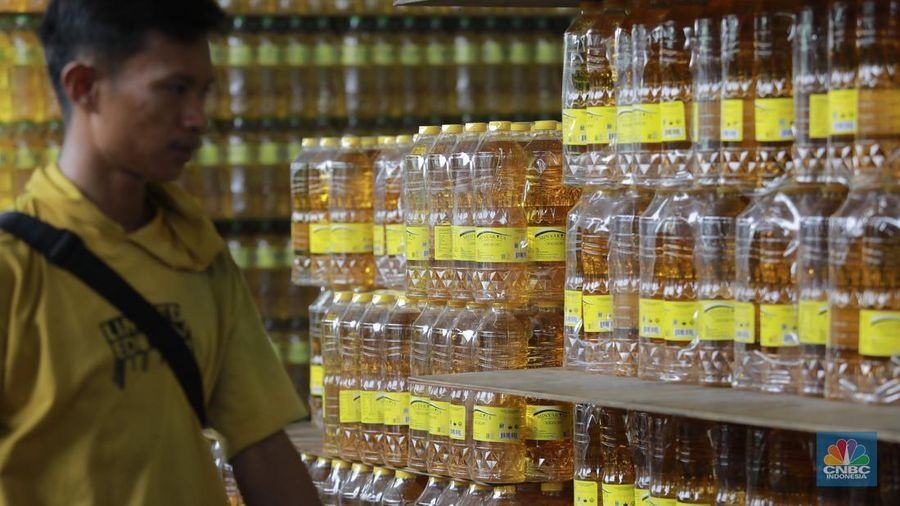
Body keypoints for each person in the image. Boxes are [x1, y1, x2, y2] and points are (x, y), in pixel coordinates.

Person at [0, 0, 320, 504]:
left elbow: (260, 446)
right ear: (84, 87)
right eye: (173, 89)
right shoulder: (14, 268)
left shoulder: (197, 252)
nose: (197, 119)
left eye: (203, 92)